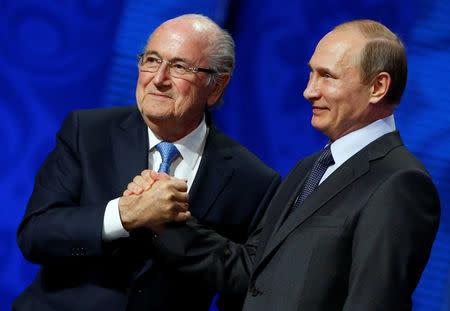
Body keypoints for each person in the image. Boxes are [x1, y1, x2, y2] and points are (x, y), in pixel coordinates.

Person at [132, 19, 440, 311]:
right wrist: (166, 220)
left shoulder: (399, 182)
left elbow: (373, 304)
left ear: (378, 87)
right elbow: (252, 271)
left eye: (327, 76)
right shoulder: (308, 168)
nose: (309, 91)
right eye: (311, 74)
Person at [13, 14, 281, 311]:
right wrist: (125, 214)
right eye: (152, 60)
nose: (158, 79)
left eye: (179, 66)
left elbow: (246, 283)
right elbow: (36, 236)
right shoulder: (87, 132)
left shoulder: (253, 178)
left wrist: (170, 225)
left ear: (215, 86)